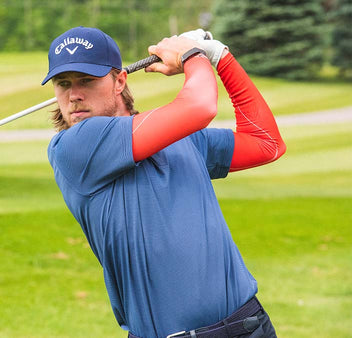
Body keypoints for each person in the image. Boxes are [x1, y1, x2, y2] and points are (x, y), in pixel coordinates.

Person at [42, 26, 286, 338]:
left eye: (86, 81)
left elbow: (267, 144)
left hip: (247, 326)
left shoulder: (180, 140)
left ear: (119, 81)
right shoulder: (74, 147)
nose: (74, 95)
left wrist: (221, 57)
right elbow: (199, 107)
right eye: (63, 84)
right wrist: (194, 55)